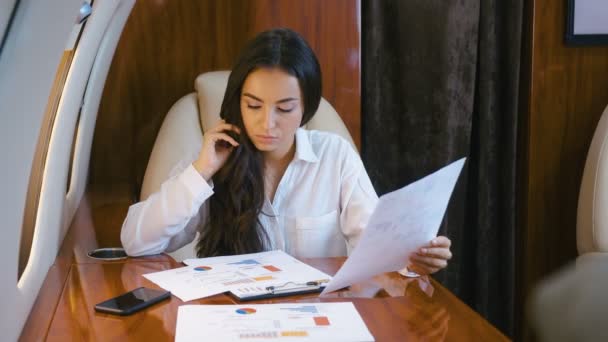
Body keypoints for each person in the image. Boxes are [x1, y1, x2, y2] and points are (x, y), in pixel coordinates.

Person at [120, 28, 452, 276]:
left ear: (306, 108)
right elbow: (136, 242)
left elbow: (377, 246)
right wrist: (200, 171)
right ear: (238, 102)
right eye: (253, 106)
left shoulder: (334, 157)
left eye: (285, 108)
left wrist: (415, 258)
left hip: (316, 321)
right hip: (232, 322)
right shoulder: (213, 160)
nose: (267, 123)